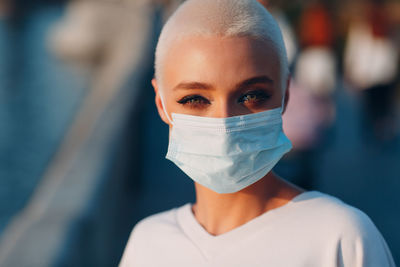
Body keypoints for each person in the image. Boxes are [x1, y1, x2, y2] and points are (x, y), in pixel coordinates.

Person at [119, 0, 396, 266]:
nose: (225, 122)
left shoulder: (341, 238)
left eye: (252, 95)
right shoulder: (147, 243)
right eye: (195, 99)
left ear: (285, 95)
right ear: (161, 104)